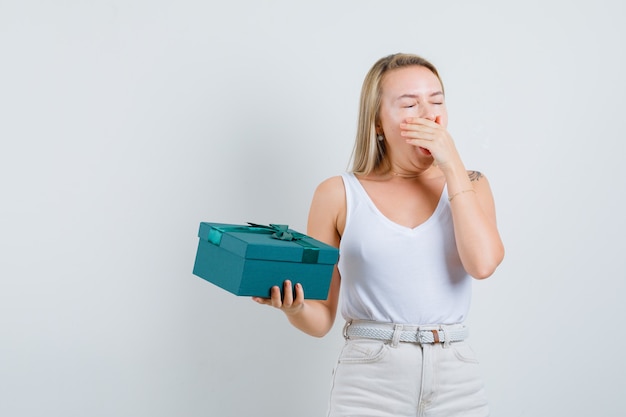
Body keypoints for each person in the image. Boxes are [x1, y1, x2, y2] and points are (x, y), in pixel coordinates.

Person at [253, 52, 505, 417]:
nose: (429, 115)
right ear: (378, 123)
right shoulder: (337, 194)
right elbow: (321, 318)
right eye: (409, 104)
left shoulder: (471, 185)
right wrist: (295, 308)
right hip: (370, 381)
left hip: (457, 376)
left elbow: (482, 264)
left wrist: (451, 164)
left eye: (436, 101)